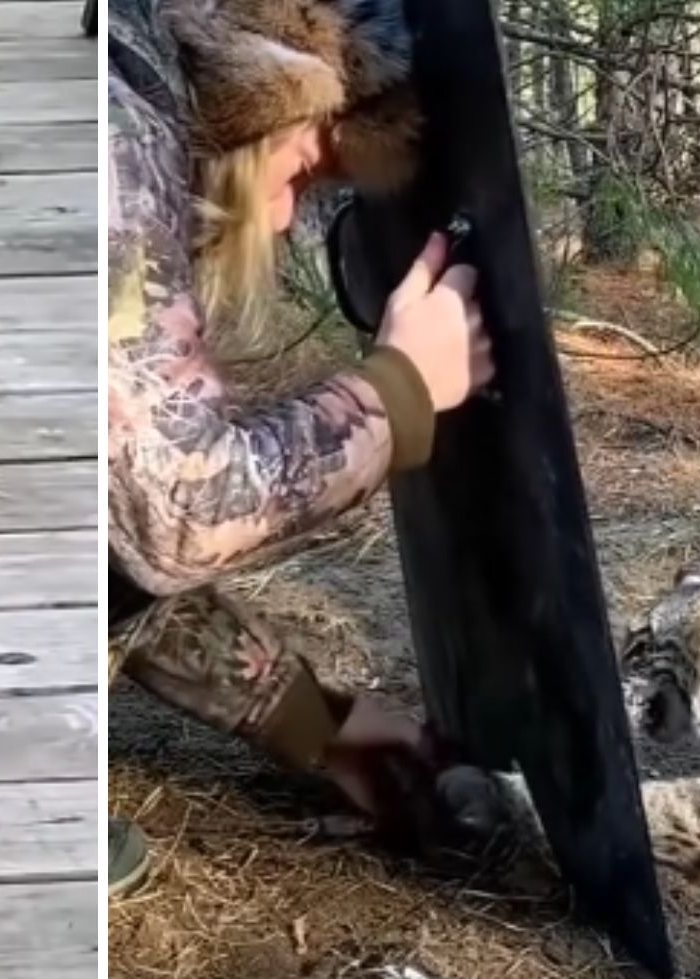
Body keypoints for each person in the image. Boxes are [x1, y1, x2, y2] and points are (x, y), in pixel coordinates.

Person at [106, 0, 497, 896]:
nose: (283, 219)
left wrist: (313, 724)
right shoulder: (119, 126)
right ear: (263, 92)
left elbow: (114, 534)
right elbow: (178, 513)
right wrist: (399, 391)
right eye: (304, 168)